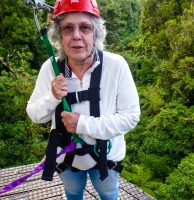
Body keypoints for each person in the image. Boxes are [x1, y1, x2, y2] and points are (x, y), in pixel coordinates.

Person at [26, 0, 140, 199]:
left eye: (84, 28)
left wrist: (83, 124)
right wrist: (52, 97)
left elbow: (131, 116)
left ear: (95, 33)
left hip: (106, 157)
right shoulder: (50, 69)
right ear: (59, 35)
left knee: (109, 194)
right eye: (68, 28)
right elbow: (35, 115)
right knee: (73, 193)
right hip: (67, 161)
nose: (76, 36)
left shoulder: (115, 66)